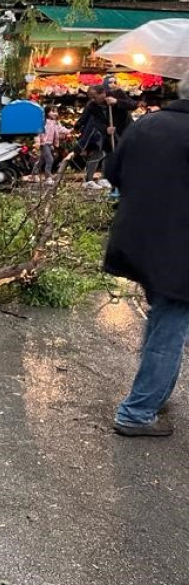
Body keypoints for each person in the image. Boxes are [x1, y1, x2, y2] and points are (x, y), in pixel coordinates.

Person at [104, 78, 189, 436]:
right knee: (170, 323)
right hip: (178, 248)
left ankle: (154, 393)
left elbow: (112, 173)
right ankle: (138, 411)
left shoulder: (146, 124)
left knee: (163, 317)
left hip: (137, 240)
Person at [74, 83, 136, 189]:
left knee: (123, 153)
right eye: (91, 97)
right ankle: (102, 178)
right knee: (106, 153)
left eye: (94, 97)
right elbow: (96, 121)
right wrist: (105, 129)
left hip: (123, 128)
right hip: (108, 131)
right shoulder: (92, 105)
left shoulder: (117, 93)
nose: (93, 99)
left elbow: (133, 105)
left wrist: (117, 102)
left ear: (103, 93)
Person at [32, 106, 70, 182]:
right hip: (44, 143)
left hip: (50, 144)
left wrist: (69, 131)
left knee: (42, 160)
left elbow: (60, 129)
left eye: (56, 111)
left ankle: (34, 173)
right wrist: (37, 141)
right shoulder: (44, 121)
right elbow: (38, 131)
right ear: (47, 112)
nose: (55, 113)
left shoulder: (55, 122)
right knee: (50, 160)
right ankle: (48, 177)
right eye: (53, 111)